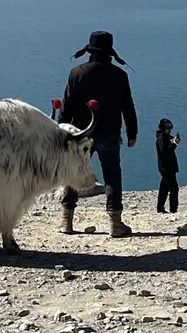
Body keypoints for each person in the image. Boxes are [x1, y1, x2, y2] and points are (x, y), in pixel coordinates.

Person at [58, 30, 138, 238]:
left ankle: (67, 221)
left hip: (82, 133)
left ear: (89, 52)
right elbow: (128, 106)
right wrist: (132, 132)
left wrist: (61, 132)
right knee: (112, 175)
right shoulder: (120, 75)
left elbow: (67, 106)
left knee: (74, 172)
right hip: (110, 133)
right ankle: (116, 224)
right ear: (110, 53)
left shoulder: (77, 73)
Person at [156, 118, 180, 214]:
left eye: (170, 128)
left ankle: (160, 208)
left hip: (168, 167)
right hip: (166, 168)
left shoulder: (164, 137)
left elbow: (168, 147)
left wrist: (174, 141)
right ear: (163, 129)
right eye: (168, 128)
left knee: (164, 188)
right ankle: (173, 210)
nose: (170, 130)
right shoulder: (161, 139)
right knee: (174, 188)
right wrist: (174, 144)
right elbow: (165, 152)